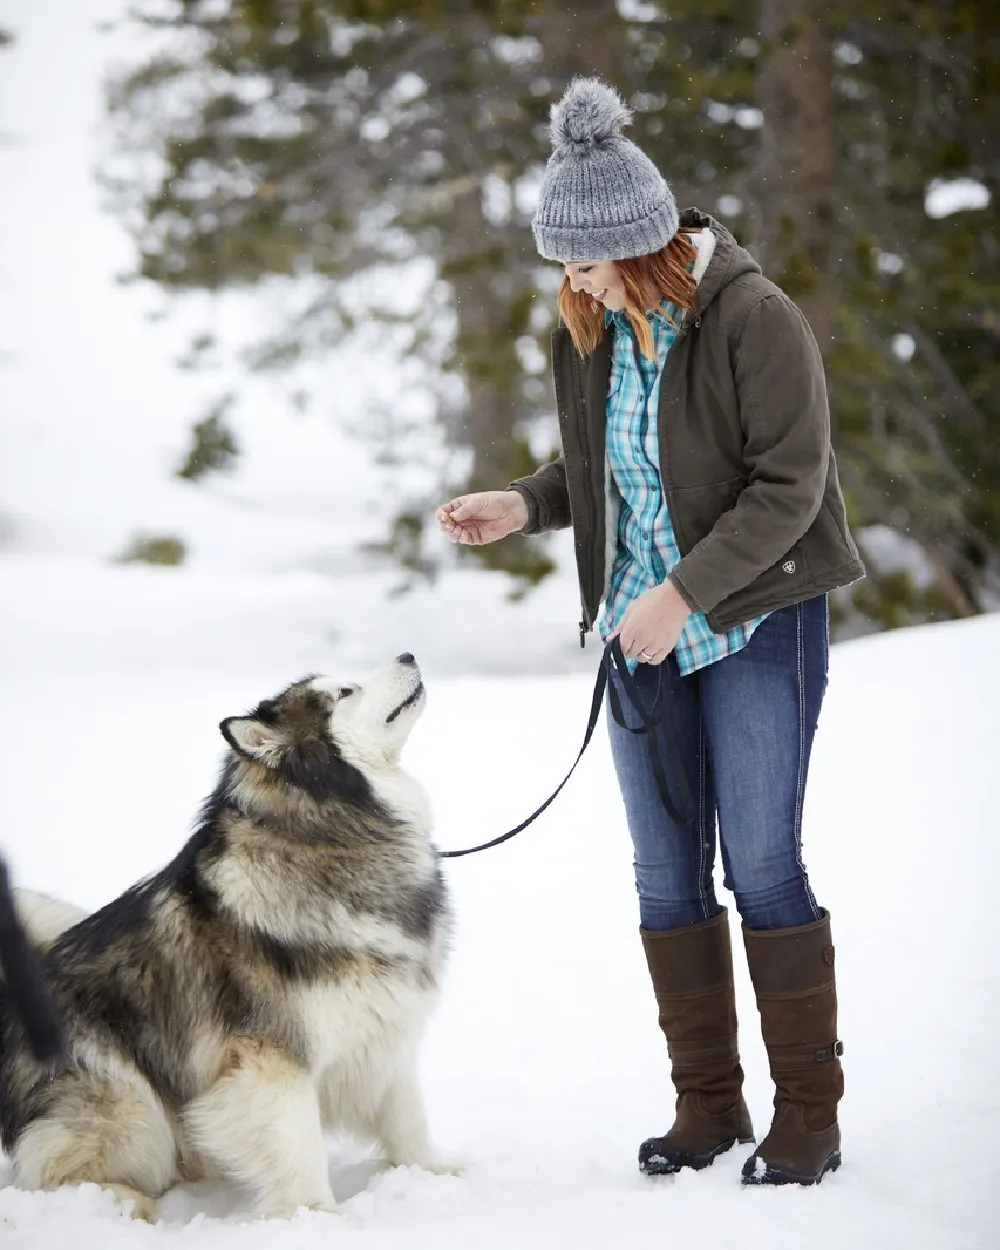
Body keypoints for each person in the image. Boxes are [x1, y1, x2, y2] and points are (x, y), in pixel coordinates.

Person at [436, 77, 864, 1187]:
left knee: (761, 860)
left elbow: (788, 485)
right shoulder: (588, 332)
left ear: (640, 241)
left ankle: (807, 1113)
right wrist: (524, 504)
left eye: (582, 260)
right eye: (563, 265)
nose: (569, 281)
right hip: (640, 631)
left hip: (755, 616)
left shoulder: (752, 318)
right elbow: (608, 472)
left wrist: (684, 591)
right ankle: (707, 1105)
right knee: (665, 871)